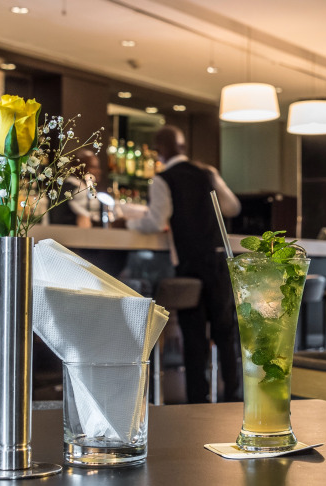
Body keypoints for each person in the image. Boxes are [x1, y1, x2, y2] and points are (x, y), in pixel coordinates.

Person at [124, 125, 242, 404]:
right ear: (183, 147)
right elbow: (232, 207)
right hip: (218, 259)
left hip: (190, 264)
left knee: (194, 335)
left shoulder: (163, 179)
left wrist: (128, 222)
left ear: (160, 150)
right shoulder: (207, 172)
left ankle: (198, 400)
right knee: (225, 331)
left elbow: (156, 221)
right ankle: (234, 396)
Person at [49, 149, 103, 227]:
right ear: (79, 168)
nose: (98, 171)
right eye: (93, 167)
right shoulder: (76, 189)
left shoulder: (85, 187)